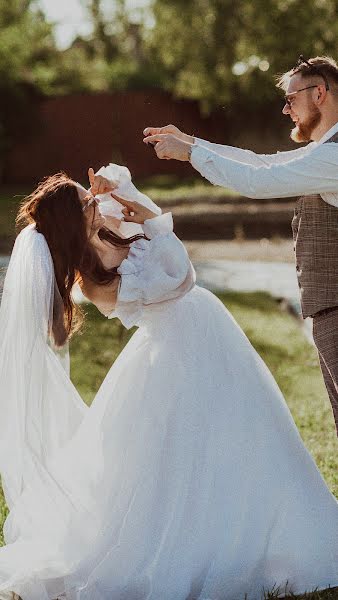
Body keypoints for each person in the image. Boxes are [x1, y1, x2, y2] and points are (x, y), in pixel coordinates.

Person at [0, 166, 337, 600]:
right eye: (86, 204)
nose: (95, 205)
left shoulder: (106, 233)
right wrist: (145, 219)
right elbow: (181, 276)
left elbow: (154, 229)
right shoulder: (96, 279)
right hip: (177, 350)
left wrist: (124, 198)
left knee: (248, 433)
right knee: (180, 453)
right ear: (71, 223)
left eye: (90, 198)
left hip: (208, 332)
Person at [143, 55, 338, 435]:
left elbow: (257, 182)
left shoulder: (332, 157)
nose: (286, 110)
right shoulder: (324, 153)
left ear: (319, 94)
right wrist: (191, 141)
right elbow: (259, 164)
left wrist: (189, 153)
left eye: (291, 99)